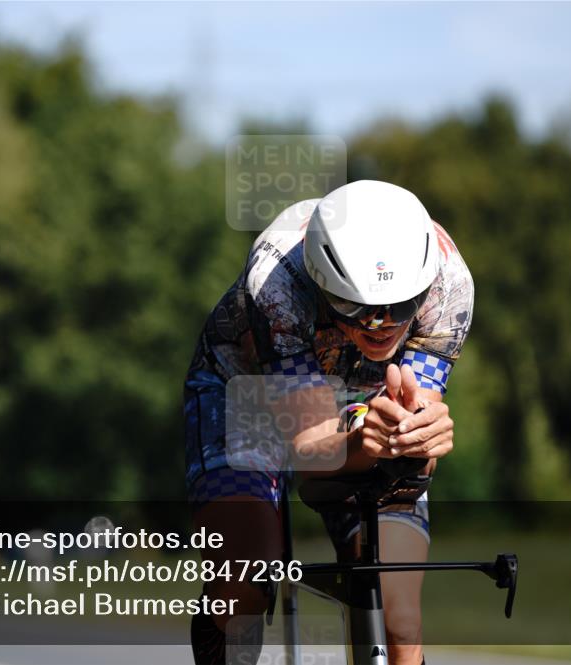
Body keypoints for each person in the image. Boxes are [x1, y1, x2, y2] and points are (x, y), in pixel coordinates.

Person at [185, 180, 474, 665]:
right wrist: (367, 438)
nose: (378, 325)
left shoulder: (449, 286)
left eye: (399, 308)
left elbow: (412, 451)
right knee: (243, 588)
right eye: (353, 307)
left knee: (399, 621)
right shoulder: (277, 283)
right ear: (319, 279)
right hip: (247, 390)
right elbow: (310, 446)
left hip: (365, 396)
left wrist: (415, 443)